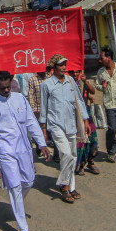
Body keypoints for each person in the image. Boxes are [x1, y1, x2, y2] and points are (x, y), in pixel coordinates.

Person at [0, 70, 51, 231]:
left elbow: (31, 122)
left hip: (23, 148)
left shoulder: (20, 99)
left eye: (8, 87)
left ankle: (17, 203)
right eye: (3, 88)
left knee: (28, 181)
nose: (6, 91)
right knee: (14, 186)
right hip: (5, 151)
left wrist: (42, 144)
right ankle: (23, 229)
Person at [39, 54, 88, 204]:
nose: (64, 67)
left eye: (65, 64)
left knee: (73, 155)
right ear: (54, 67)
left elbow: (79, 100)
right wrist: (43, 128)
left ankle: (71, 187)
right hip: (56, 125)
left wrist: (85, 120)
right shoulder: (46, 85)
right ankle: (64, 185)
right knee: (65, 154)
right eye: (61, 65)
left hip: (71, 124)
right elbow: (44, 107)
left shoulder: (71, 81)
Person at [69, 69, 100, 176]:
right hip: (74, 115)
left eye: (77, 72)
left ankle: (91, 161)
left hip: (86, 113)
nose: (75, 74)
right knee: (80, 140)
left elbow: (93, 91)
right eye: (73, 72)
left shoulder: (83, 82)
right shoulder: (67, 84)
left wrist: (86, 82)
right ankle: (79, 165)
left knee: (92, 138)